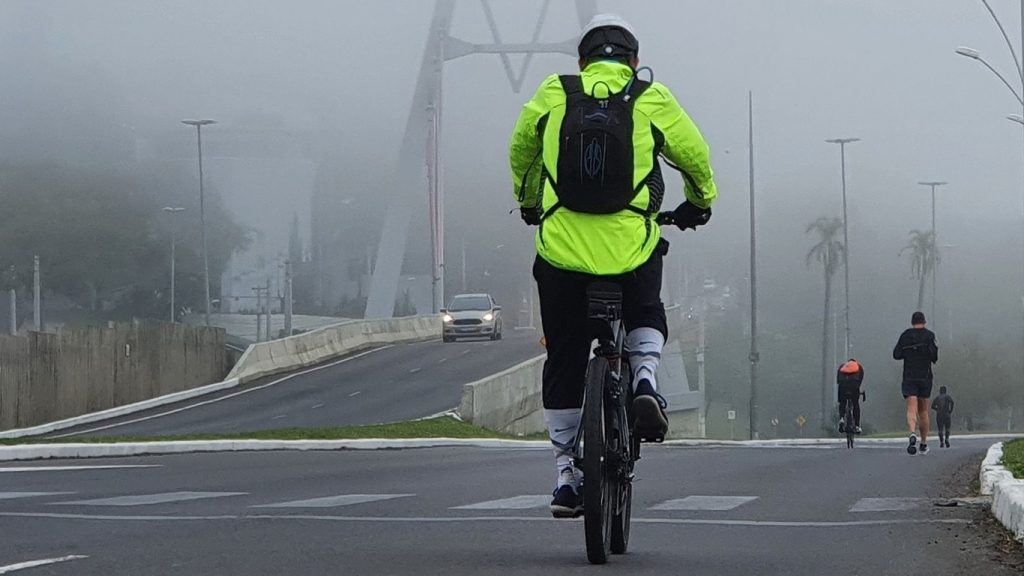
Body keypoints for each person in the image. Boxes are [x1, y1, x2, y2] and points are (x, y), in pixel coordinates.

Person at [509, 13, 717, 517]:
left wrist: (531, 202)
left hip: (563, 251)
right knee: (647, 306)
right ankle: (645, 379)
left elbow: (523, 150)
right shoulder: (651, 97)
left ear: (582, 62)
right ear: (634, 62)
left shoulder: (555, 93)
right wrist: (700, 201)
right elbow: (694, 155)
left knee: (563, 352)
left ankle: (566, 477)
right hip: (630, 246)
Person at [892, 311, 939, 455]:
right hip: (925, 377)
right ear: (924, 322)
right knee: (923, 411)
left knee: (911, 409)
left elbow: (896, 354)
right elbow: (934, 357)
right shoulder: (929, 336)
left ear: (912, 322)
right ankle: (923, 443)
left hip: (909, 377)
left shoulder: (905, 335)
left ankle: (912, 432)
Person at [836, 359, 864, 435]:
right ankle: (857, 426)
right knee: (855, 404)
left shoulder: (842, 366)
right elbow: (860, 380)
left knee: (842, 402)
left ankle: (841, 418)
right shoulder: (859, 366)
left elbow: (838, 380)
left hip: (842, 385)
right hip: (854, 385)